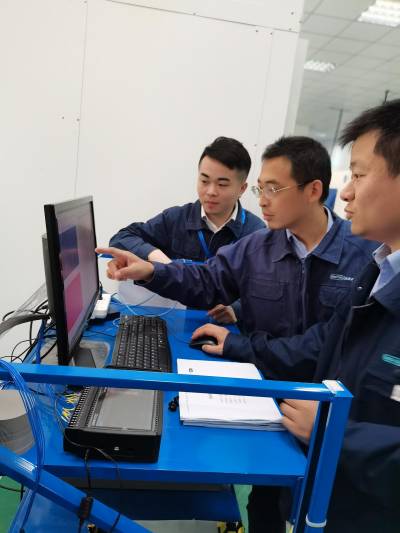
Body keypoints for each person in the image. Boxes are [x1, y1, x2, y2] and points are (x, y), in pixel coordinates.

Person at [100, 99, 400, 531]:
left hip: (328, 435)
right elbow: (207, 279)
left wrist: (334, 432)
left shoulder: (360, 258)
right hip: (288, 411)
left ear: (312, 191)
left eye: (273, 189)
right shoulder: (265, 247)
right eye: (260, 189)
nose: (263, 201)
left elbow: (319, 347)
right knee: (266, 503)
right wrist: (152, 271)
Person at [110, 136, 265, 324]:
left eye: (222, 184)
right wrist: (155, 255)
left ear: (242, 188)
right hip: (175, 322)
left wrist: (236, 309)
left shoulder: (256, 233)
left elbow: (263, 290)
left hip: (226, 328)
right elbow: (122, 238)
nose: (210, 191)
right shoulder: (177, 218)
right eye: (204, 181)